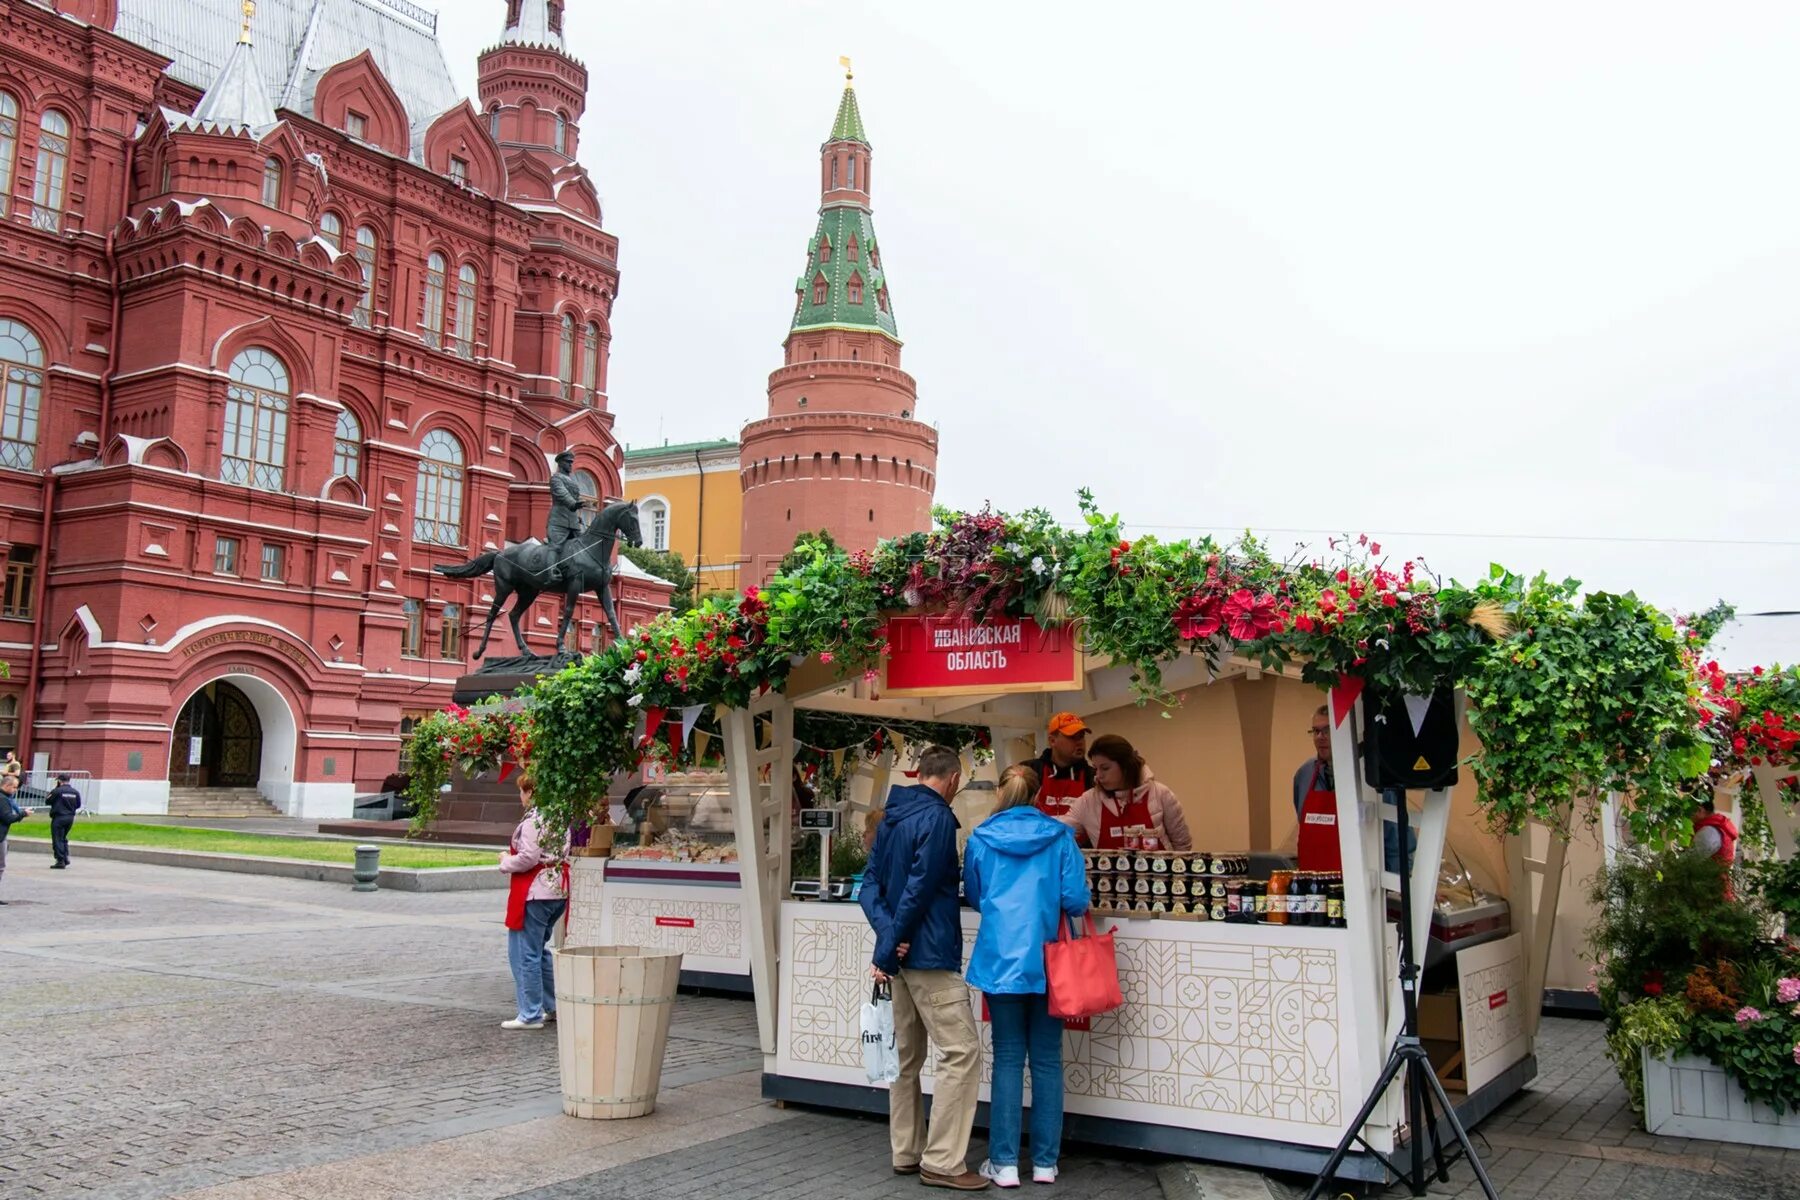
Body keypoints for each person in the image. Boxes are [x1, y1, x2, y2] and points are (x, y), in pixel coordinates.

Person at [858, 745, 988, 1191]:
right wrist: (891, 944)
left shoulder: (890, 816)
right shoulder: (938, 819)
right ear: (953, 780)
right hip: (930, 953)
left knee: (905, 1058)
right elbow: (922, 887)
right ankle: (943, 1161)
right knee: (961, 1051)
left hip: (900, 957)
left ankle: (906, 1151)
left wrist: (888, 941)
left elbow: (869, 886)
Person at [963, 765, 1088, 1189]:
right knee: (1048, 1060)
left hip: (1000, 960)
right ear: (1038, 795)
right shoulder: (1060, 837)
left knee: (1008, 1058)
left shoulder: (980, 838)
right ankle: (1045, 1163)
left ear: (1001, 792)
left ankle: (1003, 1163)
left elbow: (976, 896)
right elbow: (1075, 900)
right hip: (1050, 960)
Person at [1292, 704, 1414, 874]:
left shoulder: (1373, 778)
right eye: (1316, 731)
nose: (1320, 737)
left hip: (1361, 884)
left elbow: (1397, 844)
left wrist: (1394, 883)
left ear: (1345, 734)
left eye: (1327, 730)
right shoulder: (1304, 775)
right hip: (1313, 886)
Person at [498, 776, 569, 1030]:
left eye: (521, 791)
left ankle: (530, 1013)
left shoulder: (534, 820)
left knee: (524, 953)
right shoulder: (559, 816)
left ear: (530, 792)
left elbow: (528, 857)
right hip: (557, 890)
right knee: (539, 951)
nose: (520, 797)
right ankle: (553, 1005)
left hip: (536, 891)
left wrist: (505, 861)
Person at [1059, 734, 1193, 851]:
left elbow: (1182, 846)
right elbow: (1059, 830)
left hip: (1159, 872)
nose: (1098, 775)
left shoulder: (1161, 794)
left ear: (1125, 766)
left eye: (1105, 768)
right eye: (1096, 768)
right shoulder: (1088, 801)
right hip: (1108, 873)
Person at [1021, 712, 1094, 818]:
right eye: (1072, 737)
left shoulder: (1092, 777)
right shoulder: (1029, 771)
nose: (1080, 742)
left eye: (1081, 736)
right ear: (1052, 741)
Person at [544, 450, 591, 588]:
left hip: (573, 521)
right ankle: (551, 572)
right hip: (558, 520)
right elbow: (561, 493)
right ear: (560, 463)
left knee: (582, 545)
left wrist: (578, 517)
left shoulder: (572, 481)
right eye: (568, 462)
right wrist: (573, 504)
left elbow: (574, 498)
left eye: (571, 462)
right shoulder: (556, 478)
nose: (571, 465)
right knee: (556, 546)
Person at [46, 773, 82, 869]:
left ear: (59, 781)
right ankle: (65, 857)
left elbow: (47, 800)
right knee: (63, 838)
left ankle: (60, 860)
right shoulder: (75, 792)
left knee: (57, 839)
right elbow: (78, 804)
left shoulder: (57, 791)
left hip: (59, 817)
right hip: (70, 818)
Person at [0, 773, 25, 903]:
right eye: (14, 787)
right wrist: (23, 814)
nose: (16, 790)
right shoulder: (3, 799)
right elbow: (7, 818)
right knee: (0, 866)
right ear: (6, 785)